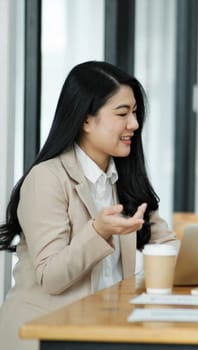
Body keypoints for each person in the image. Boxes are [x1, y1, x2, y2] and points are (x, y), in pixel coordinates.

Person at [0, 61, 177, 350]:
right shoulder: (47, 178)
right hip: (48, 335)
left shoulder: (128, 179)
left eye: (135, 113)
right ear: (85, 120)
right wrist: (98, 231)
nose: (134, 124)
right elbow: (51, 277)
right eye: (122, 113)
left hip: (106, 333)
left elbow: (168, 247)